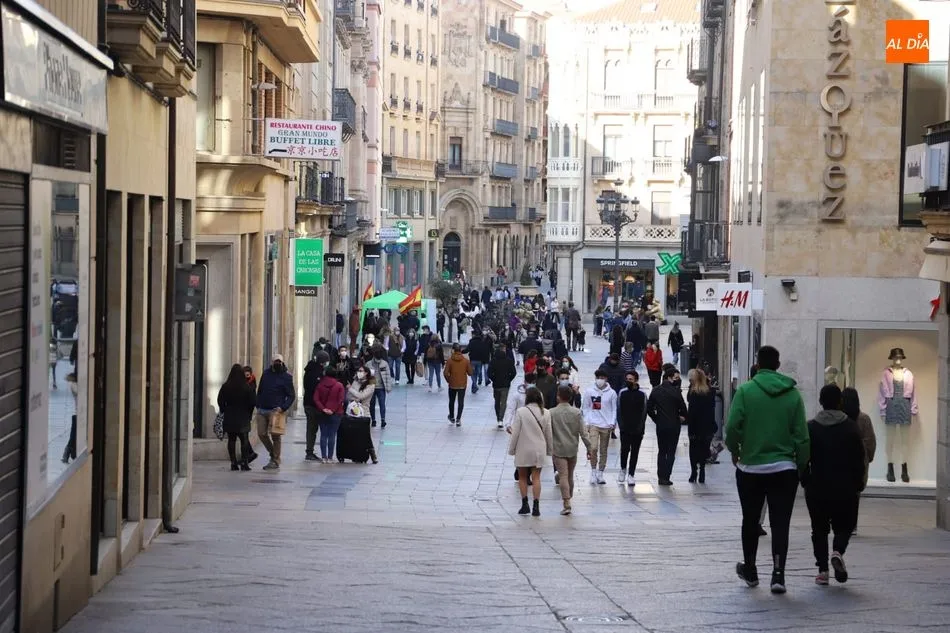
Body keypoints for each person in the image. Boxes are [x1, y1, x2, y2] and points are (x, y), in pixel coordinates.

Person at [726, 345, 809, 595]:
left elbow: (732, 427)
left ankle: (750, 569)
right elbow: (802, 437)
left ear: (758, 364)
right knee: (780, 522)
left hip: (751, 467)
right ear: (778, 365)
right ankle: (778, 574)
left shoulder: (745, 391)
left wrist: (735, 450)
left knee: (750, 520)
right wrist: (801, 466)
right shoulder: (793, 395)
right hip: (784, 468)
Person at [804, 384, 866, 586]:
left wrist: (805, 479)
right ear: (840, 402)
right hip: (845, 486)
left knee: (819, 529)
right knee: (845, 525)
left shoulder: (811, 427)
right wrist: (858, 482)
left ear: (821, 402)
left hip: (818, 486)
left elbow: (804, 457)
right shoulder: (850, 427)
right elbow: (859, 457)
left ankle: (822, 570)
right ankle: (838, 550)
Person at [508, 387, 554, 517]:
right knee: (536, 477)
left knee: (522, 477)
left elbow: (516, 432)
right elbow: (548, 434)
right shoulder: (546, 412)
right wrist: (550, 450)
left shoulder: (521, 412)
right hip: (539, 449)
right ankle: (536, 505)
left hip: (523, 448)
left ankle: (524, 504)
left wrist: (512, 449)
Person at [550, 385, 591, 515]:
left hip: (558, 448)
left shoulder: (551, 413)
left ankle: (566, 501)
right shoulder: (576, 412)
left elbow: (547, 432)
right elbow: (583, 432)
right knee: (570, 474)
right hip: (572, 447)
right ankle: (569, 497)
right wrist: (589, 448)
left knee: (563, 475)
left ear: (558, 396)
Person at [646, 366, 688, 486]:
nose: (677, 380)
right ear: (669, 378)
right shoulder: (676, 392)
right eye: (675, 378)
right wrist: (681, 417)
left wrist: (656, 419)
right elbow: (684, 410)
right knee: (670, 452)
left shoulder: (655, 391)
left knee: (662, 451)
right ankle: (666, 476)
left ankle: (661, 476)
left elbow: (649, 409)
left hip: (661, 425)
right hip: (674, 425)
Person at [255, 354, 295, 471]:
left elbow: (291, 395)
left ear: (282, 363)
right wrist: (258, 403)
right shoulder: (266, 374)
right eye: (275, 361)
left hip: (276, 411)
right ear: (272, 362)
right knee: (261, 434)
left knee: (276, 436)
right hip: (262, 409)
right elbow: (260, 389)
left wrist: (283, 408)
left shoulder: (286, 377)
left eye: (279, 361)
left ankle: (275, 460)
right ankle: (273, 453)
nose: (277, 363)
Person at [581, 369, 618, 485]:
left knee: (603, 450)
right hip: (593, 424)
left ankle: (600, 472)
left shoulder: (612, 393)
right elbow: (585, 407)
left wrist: (612, 423)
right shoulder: (589, 391)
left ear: (606, 379)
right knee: (593, 448)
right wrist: (587, 422)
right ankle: (593, 471)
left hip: (606, 425)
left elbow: (614, 409)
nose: (600, 380)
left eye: (603, 378)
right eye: (598, 377)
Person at [218, 364, 257, 471]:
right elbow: (253, 402)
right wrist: (249, 413)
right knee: (244, 439)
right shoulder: (246, 387)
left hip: (230, 416)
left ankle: (233, 462)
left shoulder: (226, 386)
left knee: (231, 440)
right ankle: (244, 462)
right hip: (243, 416)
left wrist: (224, 409)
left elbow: (220, 400)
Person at [841, 387, 877, 491]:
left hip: (840, 468)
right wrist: (866, 458)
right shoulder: (864, 419)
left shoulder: (840, 419)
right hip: (859, 467)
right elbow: (871, 444)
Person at [686, 368, 717, 483]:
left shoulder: (693, 392)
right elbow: (712, 410)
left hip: (695, 425)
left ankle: (694, 471)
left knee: (693, 449)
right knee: (704, 448)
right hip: (707, 425)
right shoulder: (709, 392)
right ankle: (702, 470)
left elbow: (692, 411)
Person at [617, 371, 647, 485]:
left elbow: (644, 412)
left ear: (636, 380)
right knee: (624, 450)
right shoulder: (622, 393)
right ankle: (623, 469)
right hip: (625, 428)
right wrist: (621, 426)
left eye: (631, 379)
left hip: (637, 429)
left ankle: (631, 474)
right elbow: (619, 410)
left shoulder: (642, 394)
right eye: (627, 379)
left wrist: (640, 427)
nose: (628, 381)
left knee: (635, 451)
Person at [314, 366, 346, 462]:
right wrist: (333, 410)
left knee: (323, 434)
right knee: (332, 435)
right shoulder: (339, 385)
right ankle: (330, 457)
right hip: (336, 413)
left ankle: (323, 457)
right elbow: (341, 400)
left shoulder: (320, 385)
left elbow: (316, 399)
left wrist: (323, 409)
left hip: (322, 413)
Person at [303, 351, 329, 461]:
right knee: (313, 429)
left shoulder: (309, 370)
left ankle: (310, 451)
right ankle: (310, 452)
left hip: (308, 403)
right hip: (314, 405)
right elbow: (317, 389)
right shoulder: (317, 373)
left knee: (311, 428)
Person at [489, 343, 518, 429]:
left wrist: (493, 379)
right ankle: (501, 419)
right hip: (505, 384)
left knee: (497, 401)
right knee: (503, 402)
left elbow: (489, 373)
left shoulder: (493, 361)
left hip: (496, 384)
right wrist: (509, 379)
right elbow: (514, 372)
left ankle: (498, 417)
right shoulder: (508, 361)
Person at [444, 343, 473, 426]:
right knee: (461, 402)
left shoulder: (449, 361)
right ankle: (458, 419)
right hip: (462, 385)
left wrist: (449, 380)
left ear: (453, 350)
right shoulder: (465, 361)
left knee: (451, 401)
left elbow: (445, 373)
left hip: (452, 384)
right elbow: (470, 373)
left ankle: (452, 417)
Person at [366, 346, 393, 428]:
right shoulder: (368, 364)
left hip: (381, 387)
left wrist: (388, 387)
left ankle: (383, 420)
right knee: (372, 404)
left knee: (382, 404)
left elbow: (388, 376)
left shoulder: (384, 364)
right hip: (371, 387)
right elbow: (365, 376)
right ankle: (373, 420)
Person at [466, 329, 492, 394]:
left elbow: (467, 349)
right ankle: (474, 386)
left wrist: (461, 351)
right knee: (477, 373)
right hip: (480, 360)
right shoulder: (481, 342)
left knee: (472, 373)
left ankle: (475, 384)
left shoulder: (471, 341)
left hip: (473, 360)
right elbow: (483, 351)